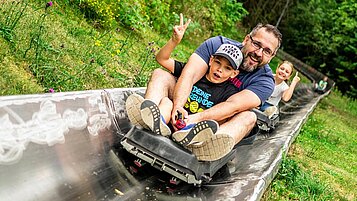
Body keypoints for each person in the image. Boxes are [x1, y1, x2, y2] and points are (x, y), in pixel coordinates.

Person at [127, 14, 282, 161]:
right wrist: (178, 107)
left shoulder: (265, 81)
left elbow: (233, 106)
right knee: (161, 75)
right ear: (247, 39)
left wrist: (194, 120)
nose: (259, 53)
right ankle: (149, 120)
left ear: (272, 56)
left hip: (209, 124)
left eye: (267, 51)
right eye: (256, 44)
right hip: (185, 105)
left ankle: (204, 147)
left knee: (250, 117)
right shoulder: (218, 44)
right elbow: (189, 75)